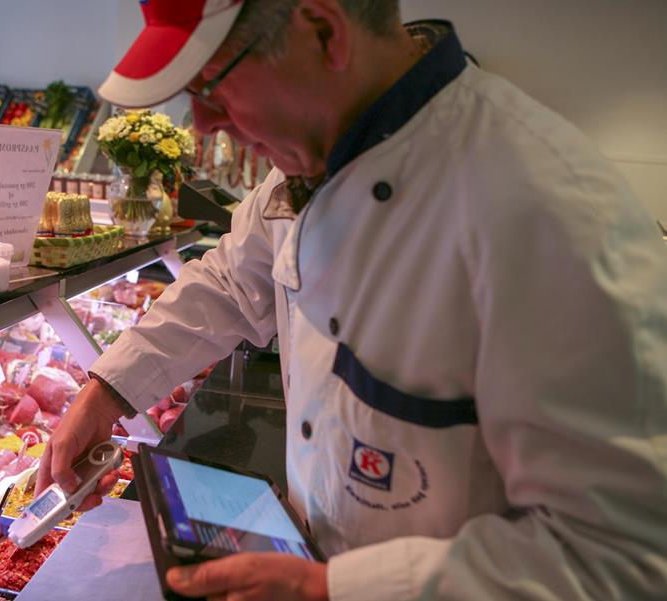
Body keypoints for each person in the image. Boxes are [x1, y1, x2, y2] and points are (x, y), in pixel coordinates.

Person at [36, 0, 667, 598]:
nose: (201, 122)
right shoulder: (308, 165)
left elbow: (622, 553)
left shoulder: (551, 212)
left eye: (210, 83)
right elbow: (230, 281)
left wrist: (342, 590)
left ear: (323, 32)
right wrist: (108, 391)